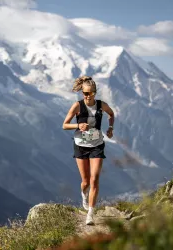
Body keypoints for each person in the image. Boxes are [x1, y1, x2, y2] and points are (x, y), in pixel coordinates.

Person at [62, 76, 115, 225]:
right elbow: (64, 125)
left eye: (90, 93)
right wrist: (78, 126)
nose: (87, 96)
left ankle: (90, 213)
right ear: (82, 93)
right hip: (80, 145)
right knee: (85, 181)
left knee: (94, 180)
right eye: (85, 93)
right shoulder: (77, 106)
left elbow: (111, 114)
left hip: (97, 145)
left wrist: (110, 128)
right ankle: (84, 196)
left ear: (95, 92)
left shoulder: (101, 105)